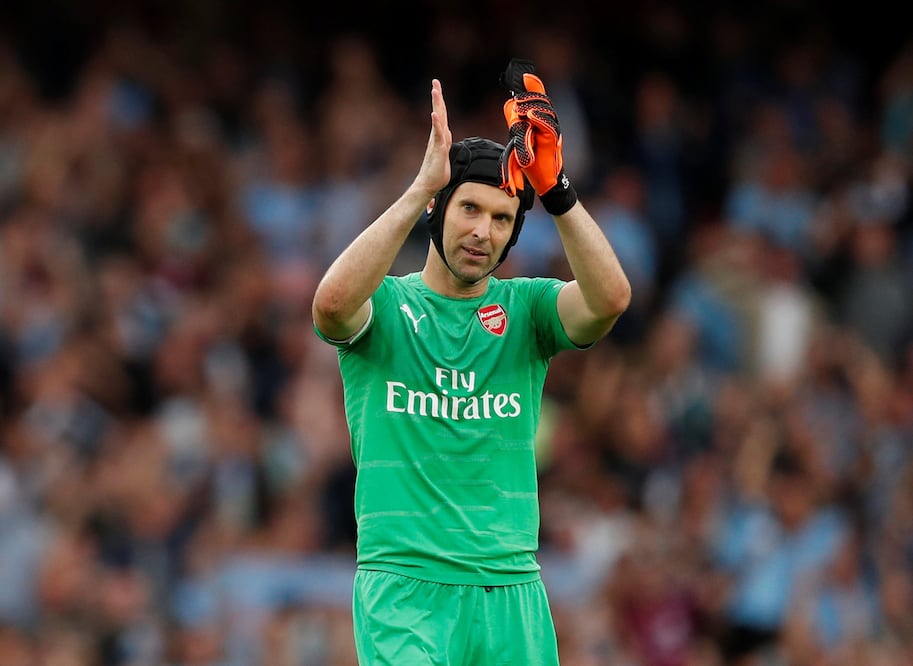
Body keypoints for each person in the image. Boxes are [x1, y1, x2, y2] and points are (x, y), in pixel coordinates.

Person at [312, 61, 631, 665]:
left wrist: (557, 191)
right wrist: (418, 188)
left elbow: (611, 299)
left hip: (511, 589)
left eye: (503, 219)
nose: (485, 231)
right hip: (404, 587)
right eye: (470, 210)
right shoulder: (385, 304)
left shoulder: (528, 310)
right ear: (439, 210)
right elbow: (329, 306)